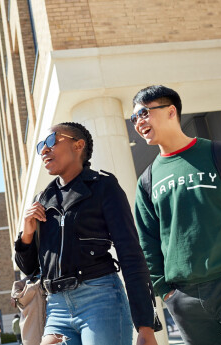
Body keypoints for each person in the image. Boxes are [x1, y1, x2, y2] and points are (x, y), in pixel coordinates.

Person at [15, 122, 158, 345]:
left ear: (78, 145)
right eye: (40, 145)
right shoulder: (42, 200)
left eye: (51, 141)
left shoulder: (103, 186)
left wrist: (145, 325)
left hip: (100, 300)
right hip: (56, 307)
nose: (44, 150)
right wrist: (27, 234)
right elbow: (30, 268)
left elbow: (130, 253)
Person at [132, 85, 221, 345]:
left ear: (171, 111)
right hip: (184, 298)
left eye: (144, 113)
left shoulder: (217, 153)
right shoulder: (147, 180)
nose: (139, 122)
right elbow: (147, 241)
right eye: (134, 118)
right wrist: (166, 291)